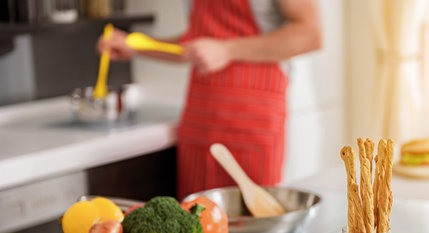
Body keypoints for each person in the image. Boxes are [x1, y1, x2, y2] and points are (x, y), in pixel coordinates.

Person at [98, 0, 322, 199]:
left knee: (251, 223)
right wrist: (138, 46)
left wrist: (228, 50)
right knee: (196, 226)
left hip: (252, 120)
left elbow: (310, 33)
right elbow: (195, 45)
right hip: (199, 121)